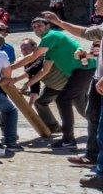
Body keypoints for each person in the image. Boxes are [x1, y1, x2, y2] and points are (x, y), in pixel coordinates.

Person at [39, 0, 103, 175]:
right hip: (96, 78)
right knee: (92, 115)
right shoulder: (101, 28)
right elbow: (84, 33)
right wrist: (88, 55)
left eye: (98, 1)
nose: (95, 4)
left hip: (99, 79)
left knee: (95, 117)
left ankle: (96, 164)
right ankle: (91, 155)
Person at [10, 15, 95, 150]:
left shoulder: (51, 36)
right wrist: (27, 84)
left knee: (63, 101)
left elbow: (32, 58)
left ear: (47, 26)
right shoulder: (49, 48)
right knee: (82, 108)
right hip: (77, 73)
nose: (37, 28)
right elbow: (44, 70)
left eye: (40, 25)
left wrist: (10, 68)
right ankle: (79, 135)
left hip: (84, 69)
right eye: (34, 26)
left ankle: (68, 139)